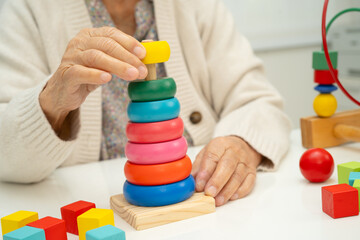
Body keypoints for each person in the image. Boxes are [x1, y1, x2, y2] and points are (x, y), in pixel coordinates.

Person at [0, 0, 291, 206]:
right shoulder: (26, 9)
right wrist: (51, 102)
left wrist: (240, 143)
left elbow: (259, 101)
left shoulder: (198, 6)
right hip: (81, 209)